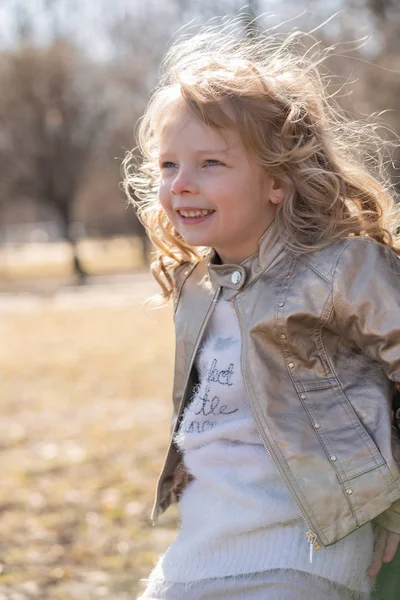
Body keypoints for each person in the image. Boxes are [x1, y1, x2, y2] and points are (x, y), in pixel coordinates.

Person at [123, 18, 400, 600]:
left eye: (211, 164)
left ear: (278, 180)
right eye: (169, 165)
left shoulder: (341, 269)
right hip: (198, 556)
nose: (181, 185)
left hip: (304, 556)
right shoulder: (198, 289)